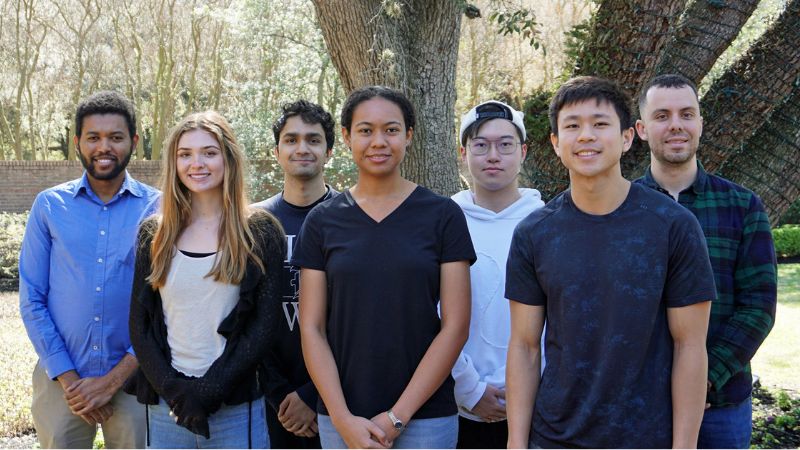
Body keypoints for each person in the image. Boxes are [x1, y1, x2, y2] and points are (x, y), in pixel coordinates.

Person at [505, 76, 716, 448]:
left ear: (626, 138)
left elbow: (690, 347)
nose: (586, 135)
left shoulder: (674, 226)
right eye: (572, 126)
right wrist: (516, 443)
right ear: (556, 143)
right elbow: (524, 346)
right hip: (554, 437)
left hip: (647, 436)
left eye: (600, 124)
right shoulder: (534, 233)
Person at [293, 86, 475, 449]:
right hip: (344, 419)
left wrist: (398, 416)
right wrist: (341, 416)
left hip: (425, 418)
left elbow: (455, 327)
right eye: (365, 130)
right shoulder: (322, 221)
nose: (378, 141)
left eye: (391, 130)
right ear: (346, 138)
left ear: (408, 136)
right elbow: (311, 327)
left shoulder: (443, 216)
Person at [634, 73, 778, 449]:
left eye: (687, 114)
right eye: (662, 115)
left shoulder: (742, 206)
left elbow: (758, 307)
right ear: (642, 129)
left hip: (722, 404)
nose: (676, 125)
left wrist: (702, 378)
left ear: (700, 122)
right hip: (637, 403)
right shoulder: (623, 208)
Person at [125, 111, 285, 448]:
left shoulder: (260, 232)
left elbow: (264, 327)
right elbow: (139, 326)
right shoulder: (153, 233)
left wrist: (209, 391)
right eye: (185, 154)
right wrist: (176, 391)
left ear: (228, 158)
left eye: (209, 153)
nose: (196, 163)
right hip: (171, 407)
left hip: (236, 406)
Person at [18, 90, 160, 448]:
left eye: (115, 137)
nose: (104, 147)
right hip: (61, 383)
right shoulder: (49, 206)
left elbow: (164, 304)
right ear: (77, 141)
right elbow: (32, 297)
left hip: (135, 381)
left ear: (134, 141)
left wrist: (113, 380)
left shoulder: (159, 209)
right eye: (93, 137)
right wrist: (70, 381)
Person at [451, 100, 544, 449]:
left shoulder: (545, 222)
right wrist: (470, 389)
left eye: (505, 145)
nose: (493, 155)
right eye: (480, 145)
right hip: (458, 406)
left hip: (540, 406)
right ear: (463, 153)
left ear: (523, 152)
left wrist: (531, 389)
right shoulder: (444, 222)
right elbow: (432, 313)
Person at [254, 100, 339, 448]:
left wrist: (312, 395)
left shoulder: (352, 220)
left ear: (329, 151)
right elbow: (247, 318)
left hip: (338, 398)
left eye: (313, 140)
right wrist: (281, 395)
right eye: (291, 140)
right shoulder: (254, 224)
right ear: (277, 151)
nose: (302, 148)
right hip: (269, 400)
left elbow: (359, 320)